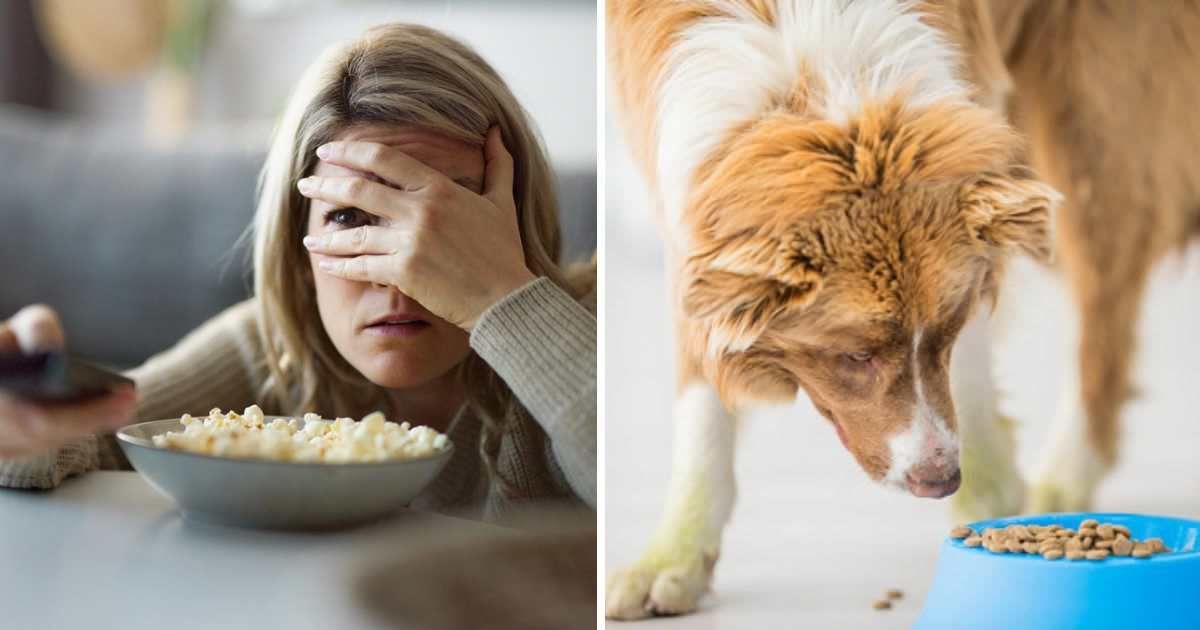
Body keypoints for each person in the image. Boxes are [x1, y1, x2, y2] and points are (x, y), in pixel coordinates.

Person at [0, 23, 596, 521]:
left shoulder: (605, 319)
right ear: (298, 249)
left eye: (444, 224)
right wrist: (32, 407)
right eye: (350, 217)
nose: (400, 272)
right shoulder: (272, 347)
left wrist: (503, 297)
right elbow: (82, 440)